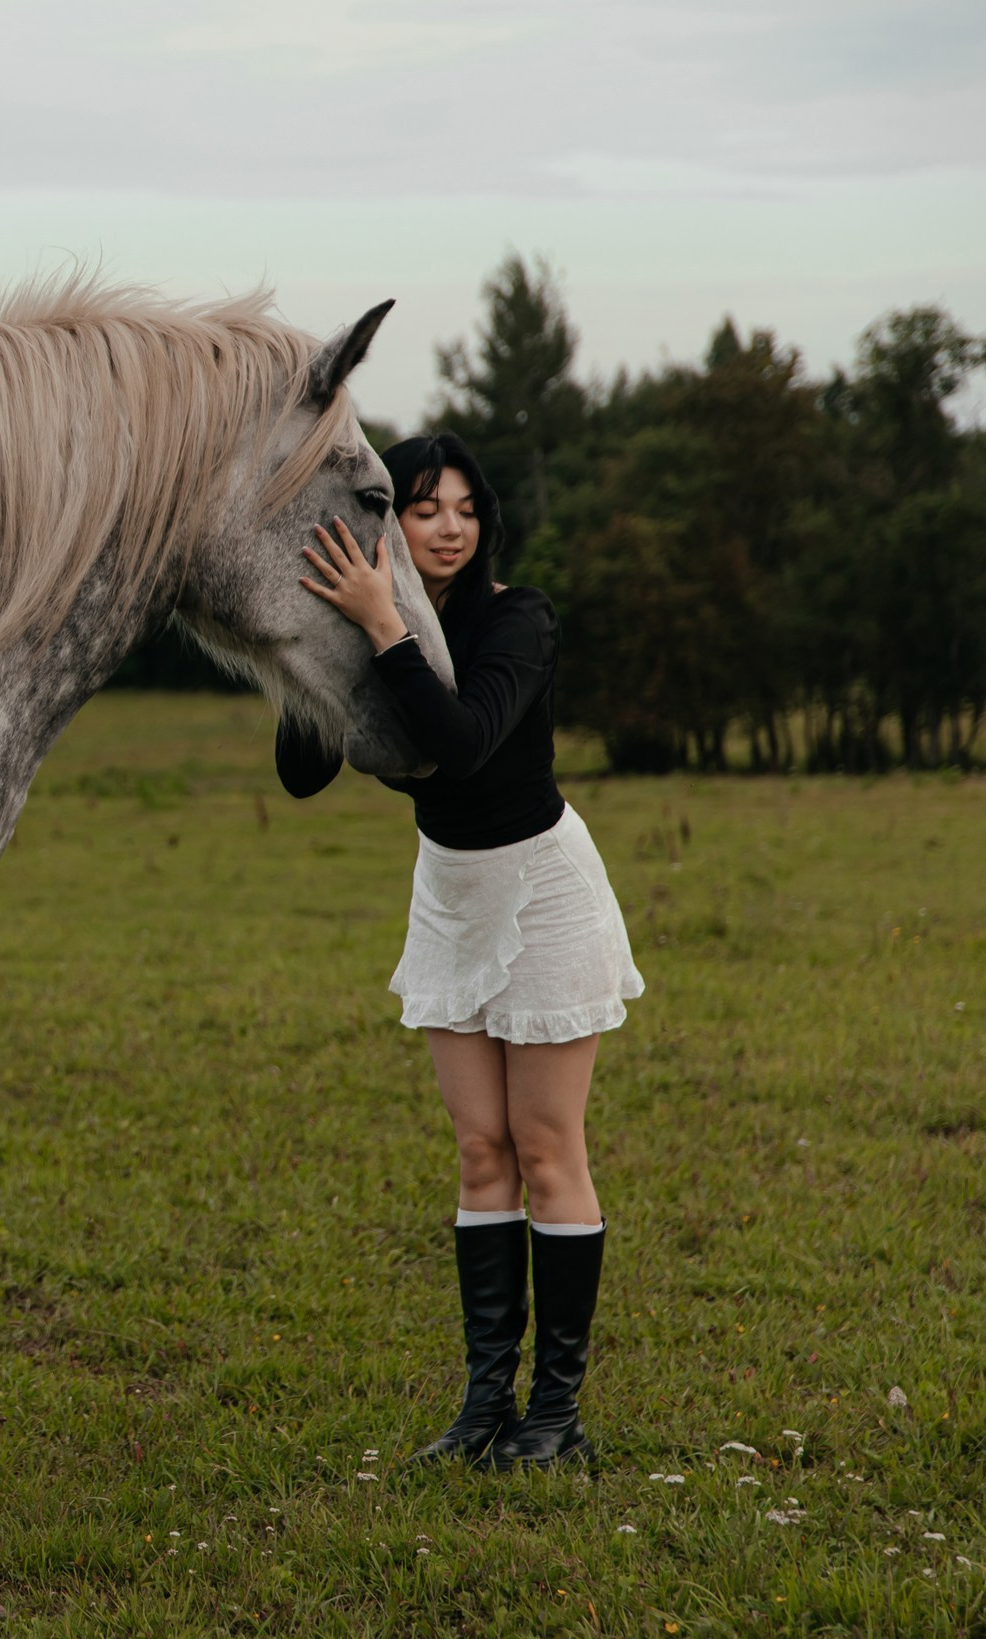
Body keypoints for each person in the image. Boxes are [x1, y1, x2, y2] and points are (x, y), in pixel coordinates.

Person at [282, 434, 642, 1467]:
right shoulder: (368, 620)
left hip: (540, 889)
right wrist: (315, 644)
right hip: (448, 894)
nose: (449, 527)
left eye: (465, 508)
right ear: (386, 523)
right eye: (424, 508)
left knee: (545, 1147)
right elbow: (303, 772)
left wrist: (383, 625)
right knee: (481, 1151)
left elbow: (465, 741)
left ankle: (555, 1417)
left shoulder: (517, 618)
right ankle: (485, 1410)